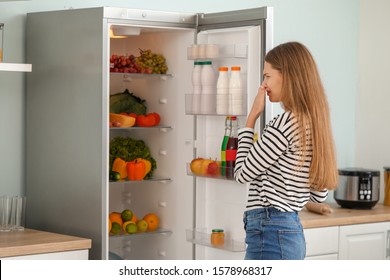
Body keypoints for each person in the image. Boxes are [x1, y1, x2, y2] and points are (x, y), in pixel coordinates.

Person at [234, 41, 338, 260]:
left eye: (267, 76)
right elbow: (319, 195)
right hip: (290, 230)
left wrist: (250, 120)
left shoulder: (284, 124)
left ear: (287, 75)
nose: (264, 84)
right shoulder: (314, 123)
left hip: (270, 231)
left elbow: (242, 173)